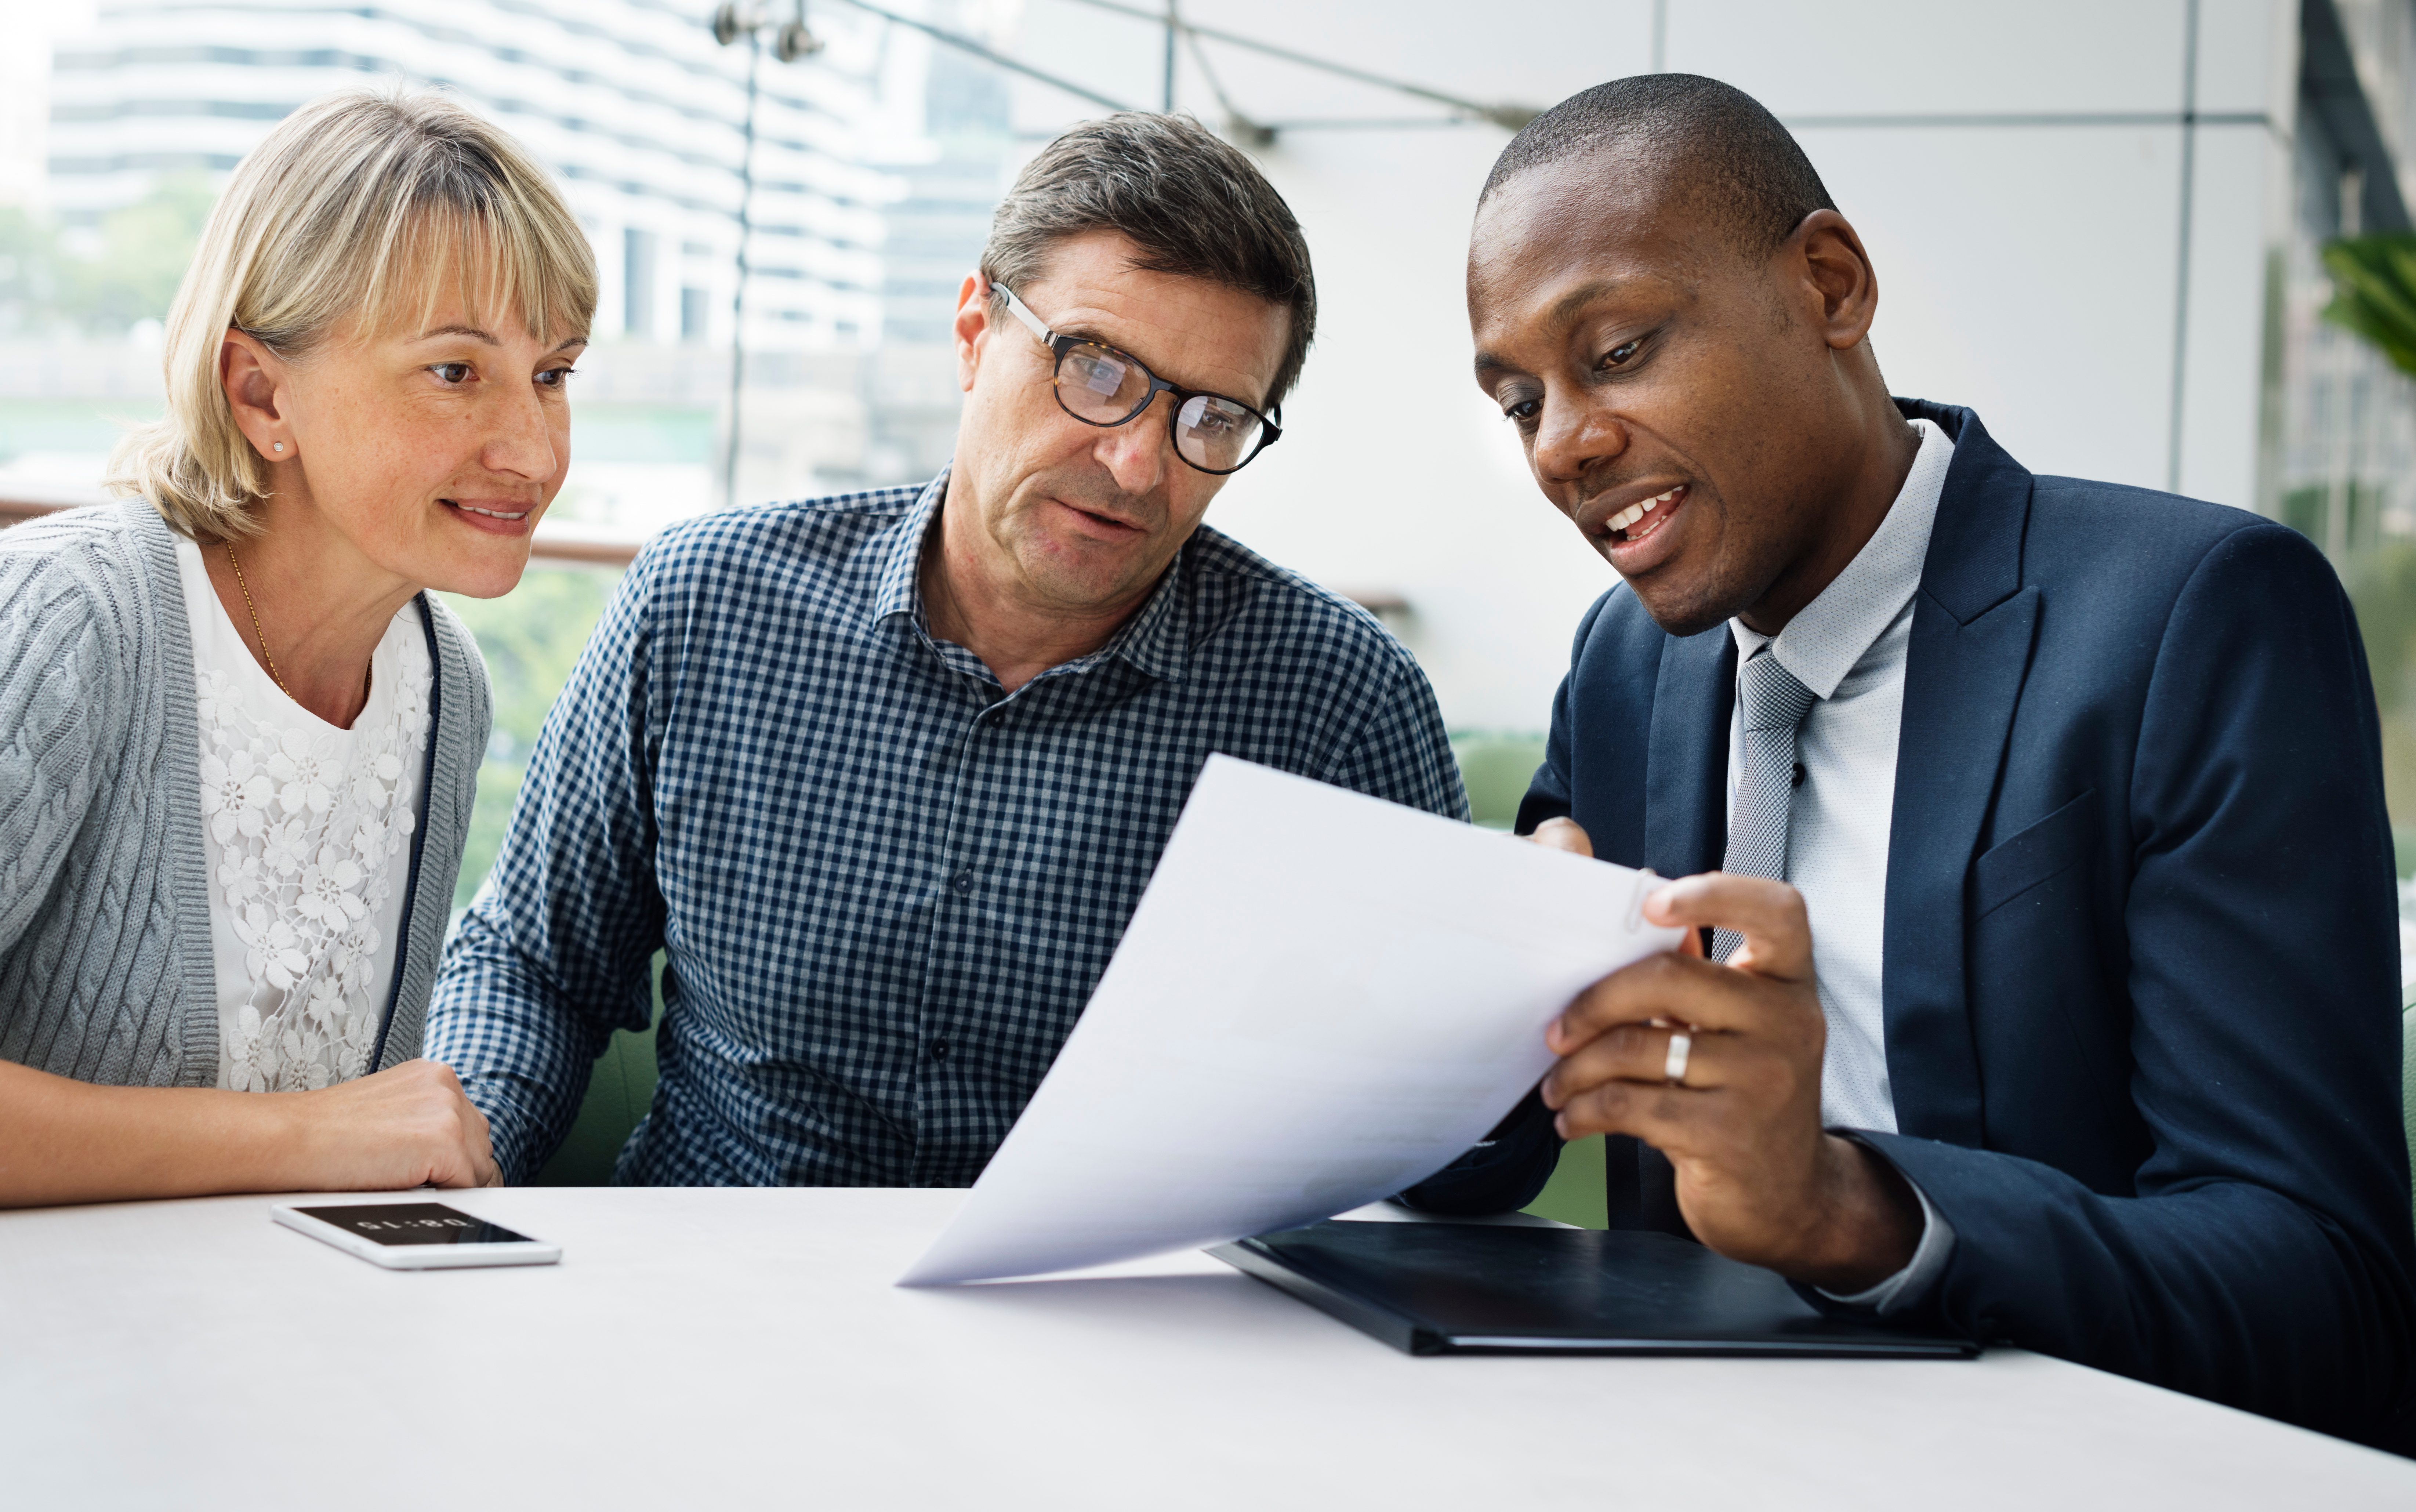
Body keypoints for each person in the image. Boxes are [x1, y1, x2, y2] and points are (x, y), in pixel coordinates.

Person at [1447, 75, 2415, 1443]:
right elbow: (1502, 1148)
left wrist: (1844, 1206)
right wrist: (1444, 1014)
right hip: (1675, 1443)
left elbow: (2327, 1289)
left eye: (1617, 352)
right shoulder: (1625, 664)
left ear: (1831, 286)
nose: (1564, 446)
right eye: (1517, 403)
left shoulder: (2195, 618)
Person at [425, 112, 1471, 1188]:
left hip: (1115, 1331)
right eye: (1098, 371)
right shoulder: (705, 604)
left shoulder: (1338, 701)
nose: (1136, 465)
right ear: (976, 330)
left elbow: (1441, 1137)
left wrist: (1513, 1019)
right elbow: (533, 967)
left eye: (1210, 420)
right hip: (711, 1298)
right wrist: (454, 1168)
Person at [0, 87, 597, 1205]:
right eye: (455, 372)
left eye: (553, 374)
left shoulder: (442, 687)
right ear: (260, 392)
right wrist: (301, 1140)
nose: (531, 449)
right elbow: (332, 1139)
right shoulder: (70, 624)